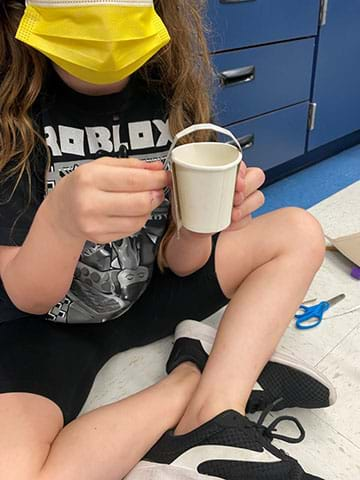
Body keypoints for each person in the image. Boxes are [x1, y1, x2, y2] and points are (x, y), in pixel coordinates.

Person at [0, 1, 334, 479]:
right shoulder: (13, 118)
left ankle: (214, 414)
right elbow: (29, 298)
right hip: (46, 326)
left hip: (147, 293)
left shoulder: (167, 97)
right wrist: (60, 224)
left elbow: (180, 262)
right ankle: (192, 374)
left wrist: (201, 221)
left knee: (298, 231)